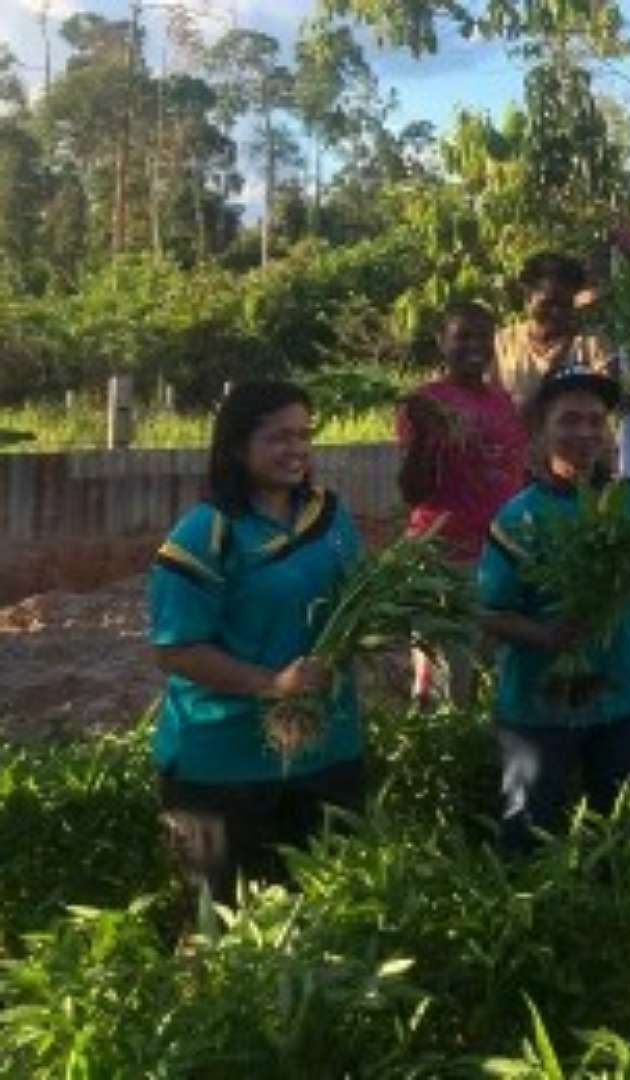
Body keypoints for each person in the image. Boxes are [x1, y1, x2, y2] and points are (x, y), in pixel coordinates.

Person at [148, 380, 365, 905]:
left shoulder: (330, 517)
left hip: (325, 750)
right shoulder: (207, 533)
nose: (296, 450)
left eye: (303, 435)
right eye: (277, 437)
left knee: (325, 911)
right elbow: (175, 649)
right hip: (223, 761)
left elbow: (360, 599)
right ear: (236, 447)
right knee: (216, 924)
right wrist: (271, 684)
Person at [476, 365, 630, 853]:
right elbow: (487, 612)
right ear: (541, 429)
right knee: (526, 836)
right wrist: (548, 636)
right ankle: (527, 923)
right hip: (541, 705)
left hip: (626, 697)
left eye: (596, 421)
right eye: (569, 420)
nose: (585, 433)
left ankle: (612, 923)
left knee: (621, 834)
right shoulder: (519, 517)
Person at [397, 301, 528, 709]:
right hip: (445, 559)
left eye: (483, 337)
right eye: (462, 337)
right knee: (447, 679)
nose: (475, 346)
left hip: (500, 556)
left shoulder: (503, 403)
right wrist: (422, 438)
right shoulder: (424, 402)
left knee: (495, 671)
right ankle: (443, 759)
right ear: (441, 342)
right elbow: (413, 491)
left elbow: (513, 472)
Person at [493, 251, 620, 411]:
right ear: (527, 297)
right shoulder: (502, 344)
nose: (557, 312)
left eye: (565, 305)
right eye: (548, 303)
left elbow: (605, 403)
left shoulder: (593, 345)